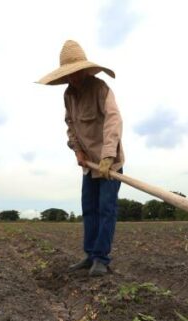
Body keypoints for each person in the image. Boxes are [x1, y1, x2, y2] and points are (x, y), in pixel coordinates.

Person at [38, 40, 125, 277]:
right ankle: (89, 255)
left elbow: (113, 121)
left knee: (106, 210)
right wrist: (78, 151)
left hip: (109, 164)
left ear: (85, 70)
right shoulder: (69, 95)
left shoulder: (100, 89)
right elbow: (70, 125)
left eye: (76, 73)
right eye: (69, 75)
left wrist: (108, 155)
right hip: (89, 165)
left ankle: (102, 259)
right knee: (89, 209)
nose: (73, 79)